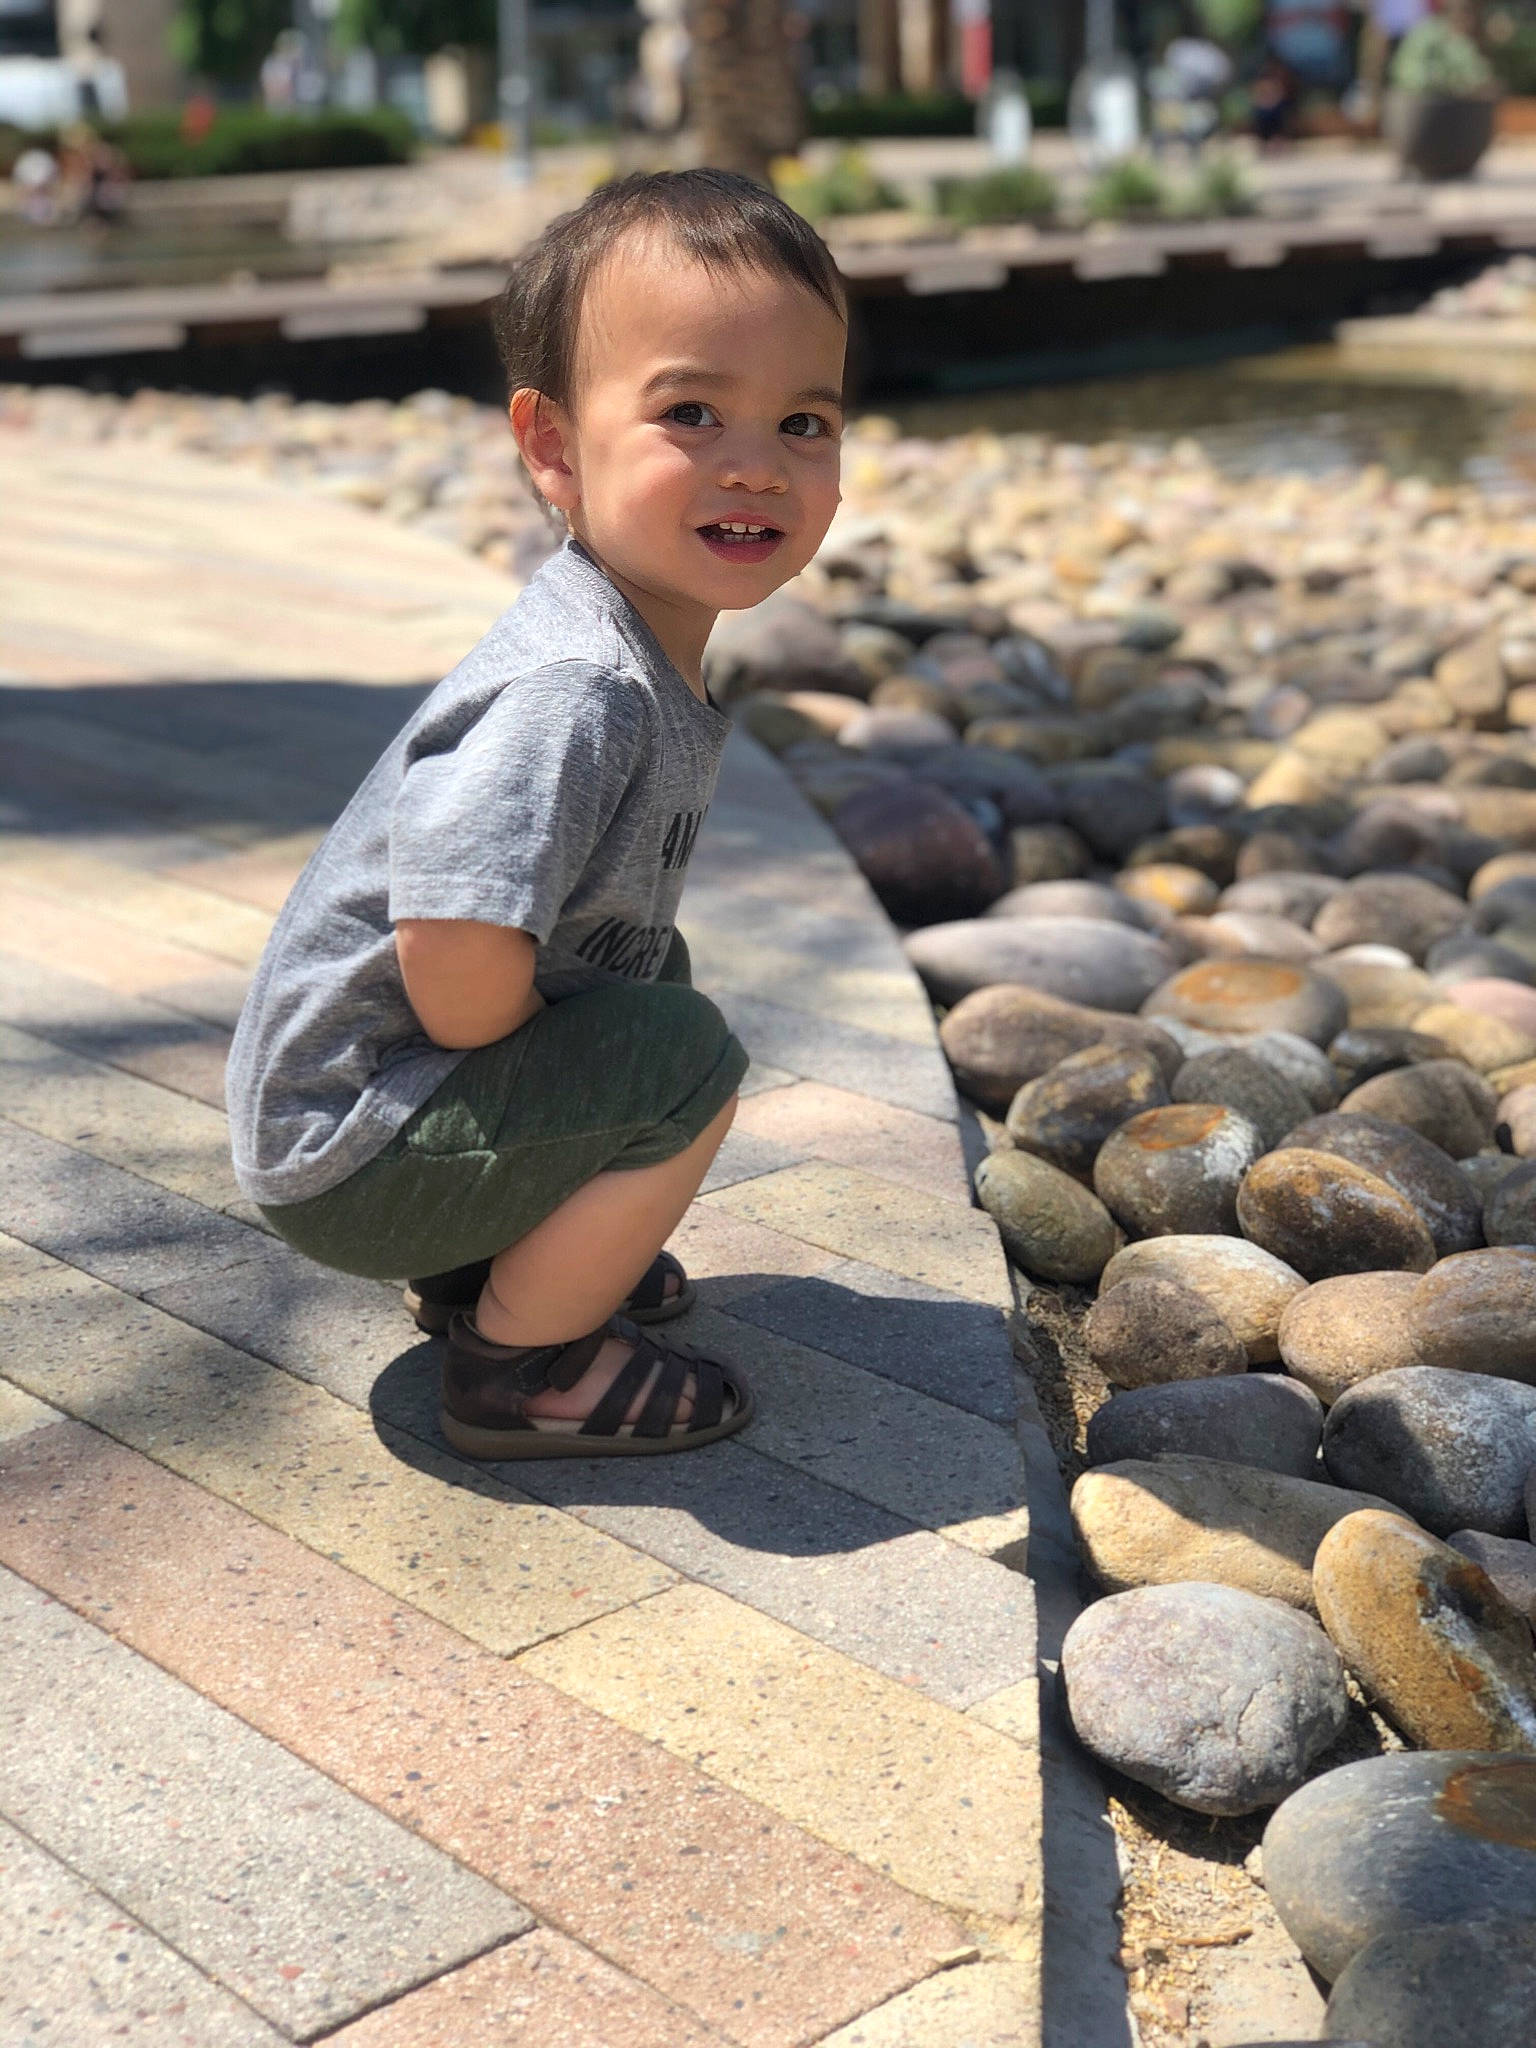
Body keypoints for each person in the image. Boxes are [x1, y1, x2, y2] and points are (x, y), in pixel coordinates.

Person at [226, 170, 848, 1460]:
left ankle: (503, 1257)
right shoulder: (574, 689)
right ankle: (524, 1362)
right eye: (692, 412)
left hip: (385, 1112)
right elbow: (452, 960)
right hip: (355, 1144)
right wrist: (559, 1111)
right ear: (553, 447)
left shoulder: (636, 644)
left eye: (803, 421)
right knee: (676, 1053)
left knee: (642, 971)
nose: (757, 465)